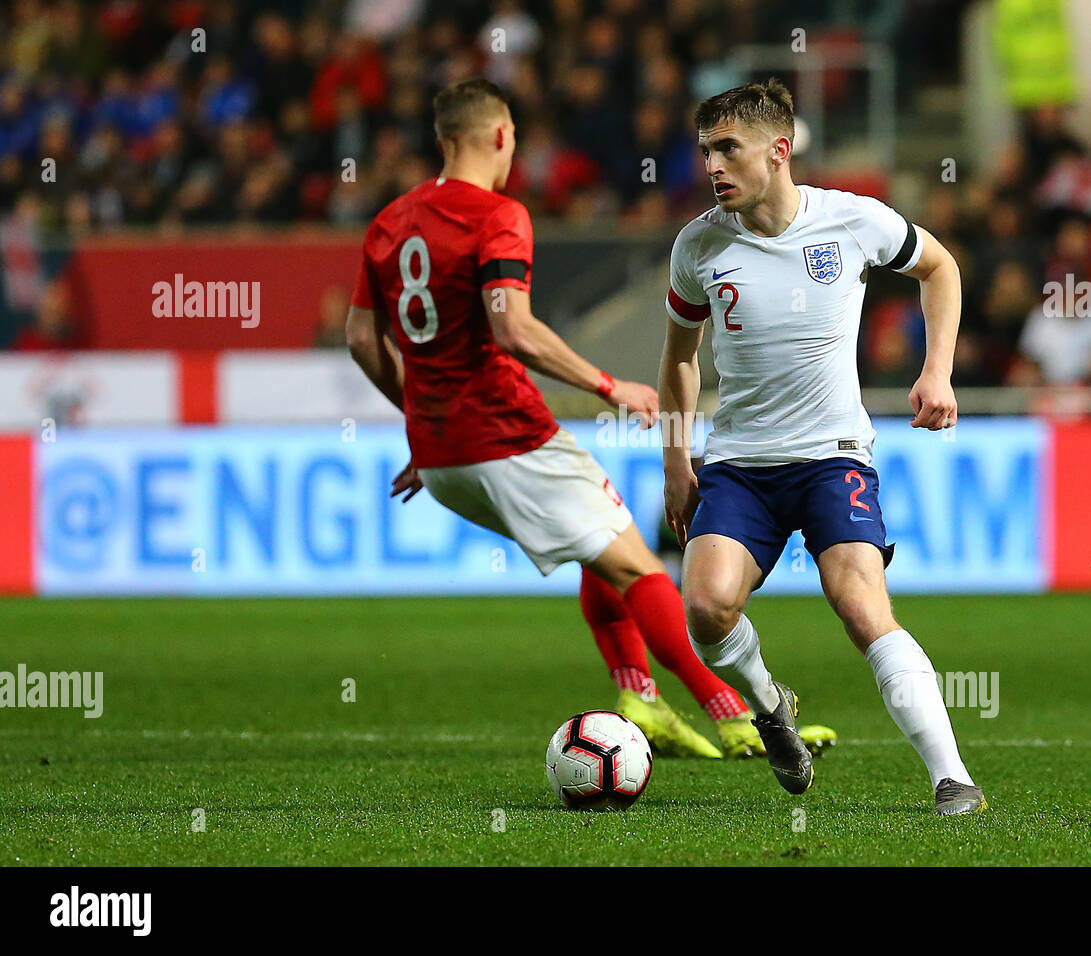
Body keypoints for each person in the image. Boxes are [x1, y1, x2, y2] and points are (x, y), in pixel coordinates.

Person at [345, 78, 836, 760]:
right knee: (643, 572)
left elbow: (363, 341)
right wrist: (610, 386)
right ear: (498, 137)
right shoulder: (498, 216)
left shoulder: (389, 222)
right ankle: (744, 713)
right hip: (509, 434)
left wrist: (424, 423)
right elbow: (513, 329)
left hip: (441, 457)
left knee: (601, 548)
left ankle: (639, 692)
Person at [660, 78, 986, 814]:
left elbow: (941, 267)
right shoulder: (698, 246)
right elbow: (680, 357)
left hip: (833, 454)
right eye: (706, 150)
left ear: (778, 152)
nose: (713, 166)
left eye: (727, 149)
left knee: (860, 603)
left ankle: (952, 776)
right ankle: (772, 703)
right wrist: (678, 461)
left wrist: (936, 371)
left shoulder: (853, 221)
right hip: (739, 466)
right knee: (706, 608)